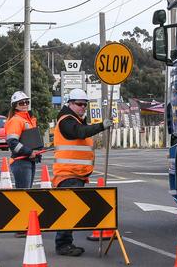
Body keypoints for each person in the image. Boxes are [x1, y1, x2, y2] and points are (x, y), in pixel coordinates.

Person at [52, 88, 112, 257]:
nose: (83, 107)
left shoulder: (77, 120)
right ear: (70, 103)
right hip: (67, 174)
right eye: (79, 104)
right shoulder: (67, 121)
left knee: (72, 209)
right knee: (70, 209)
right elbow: (79, 133)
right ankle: (63, 245)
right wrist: (101, 126)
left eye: (85, 105)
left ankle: (65, 243)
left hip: (76, 174)